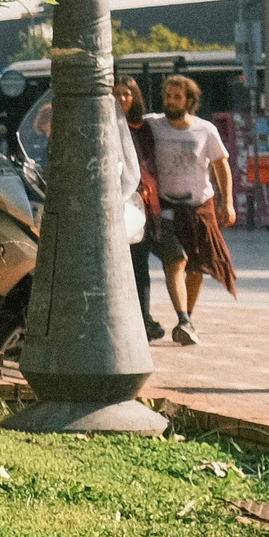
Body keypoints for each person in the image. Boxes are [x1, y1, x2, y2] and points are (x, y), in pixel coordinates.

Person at [144, 73, 236, 346]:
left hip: (199, 206)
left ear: (189, 100)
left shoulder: (205, 129)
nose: (171, 102)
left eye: (177, 97)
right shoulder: (152, 125)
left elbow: (221, 165)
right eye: (167, 96)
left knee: (197, 268)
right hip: (166, 208)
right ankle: (182, 318)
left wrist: (227, 203)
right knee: (176, 259)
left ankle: (188, 318)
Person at [115, 77, 164, 341]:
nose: (122, 99)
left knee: (139, 263)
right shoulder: (105, 125)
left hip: (138, 204)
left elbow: (146, 164)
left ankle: (143, 318)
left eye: (127, 94)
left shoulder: (142, 128)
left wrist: (144, 187)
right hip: (113, 202)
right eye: (117, 94)